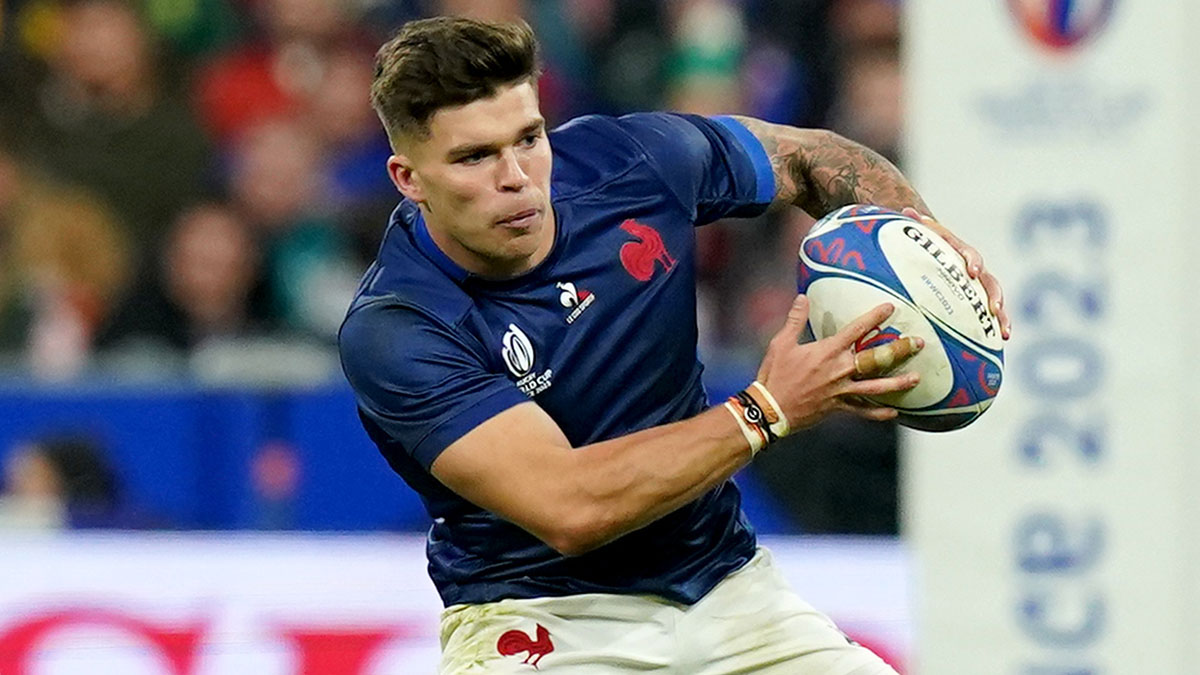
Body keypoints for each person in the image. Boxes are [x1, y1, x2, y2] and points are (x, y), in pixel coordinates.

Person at [338, 16, 1011, 674]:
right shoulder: (399, 326)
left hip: (727, 590)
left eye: (529, 137)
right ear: (408, 177)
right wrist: (765, 407)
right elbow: (571, 505)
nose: (516, 176)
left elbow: (809, 157)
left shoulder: (627, 162)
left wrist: (927, 251)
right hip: (545, 620)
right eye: (475, 156)